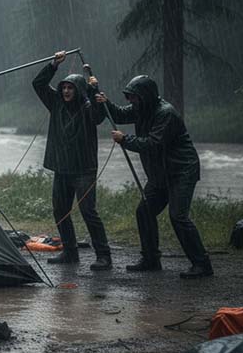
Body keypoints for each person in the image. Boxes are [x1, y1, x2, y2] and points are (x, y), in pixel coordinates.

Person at [94, 76, 213, 278]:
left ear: (145, 96)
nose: (131, 101)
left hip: (181, 172)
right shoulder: (142, 108)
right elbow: (120, 114)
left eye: (134, 97)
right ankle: (151, 259)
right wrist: (106, 103)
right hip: (160, 175)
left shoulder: (166, 114)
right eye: (129, 97)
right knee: (144, 212)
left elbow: (153, 144)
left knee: (178, 217)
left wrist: (125, 140)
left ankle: (202, 264)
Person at [33, 51, 111, 270]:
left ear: (79, 91)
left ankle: (104, 256)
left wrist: (94, 88)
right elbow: (38, 83)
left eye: (71, 88)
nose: (66, 91)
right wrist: (53, 64)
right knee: (60, 210)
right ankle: (70, 252)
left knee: (88, 211)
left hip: (84, 169)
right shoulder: (55, 103)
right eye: (64, 87)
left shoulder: (88, 108)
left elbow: (99, 116)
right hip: (62, 169)